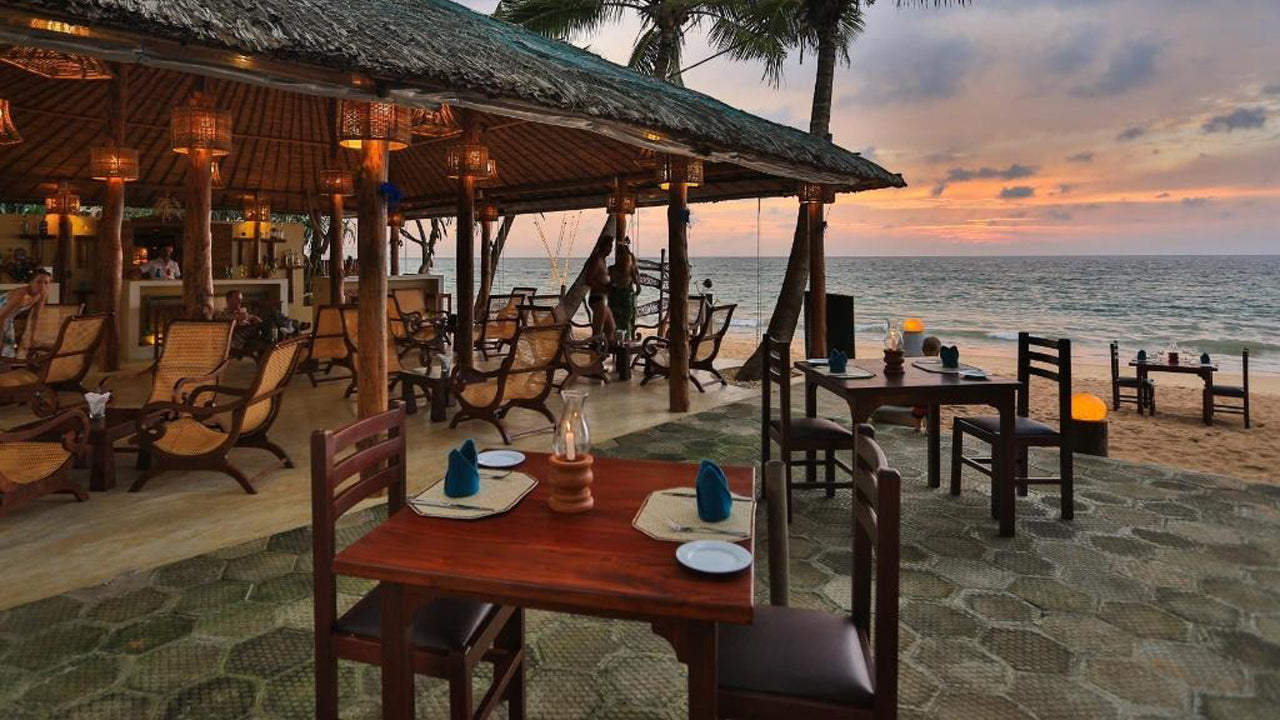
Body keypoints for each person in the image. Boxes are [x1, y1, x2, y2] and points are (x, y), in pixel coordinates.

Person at [0, 269, 50, 358]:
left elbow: (35, 316)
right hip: (2, 316)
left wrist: (32, 338)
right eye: (39, 282)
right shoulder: (21, 295)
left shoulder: (42, 294)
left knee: (8, 351)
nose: (42, 285)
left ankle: (5, 369)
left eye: (46, 283)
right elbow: (1, 316)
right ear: (31, 282)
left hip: (7, 318)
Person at [607, 238, 640, 340]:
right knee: (620, 320)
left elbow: (637, 284)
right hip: (618, 295)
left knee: (622, 320)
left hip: (621, 294)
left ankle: (620, 340)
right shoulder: (613, 269)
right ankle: (618, 340)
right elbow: (637, 285)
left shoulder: (616, 269)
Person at [585, 248, 616, 344]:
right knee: (598, 330)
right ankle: (594, 354)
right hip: (597, 298)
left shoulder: (603, 261)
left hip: (603, 298)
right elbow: (588, 280)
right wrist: (601, 287)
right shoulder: (596, 260)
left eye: (611, 246)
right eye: (608, 246)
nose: (610, 249)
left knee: (611, 327)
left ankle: (608, 352)